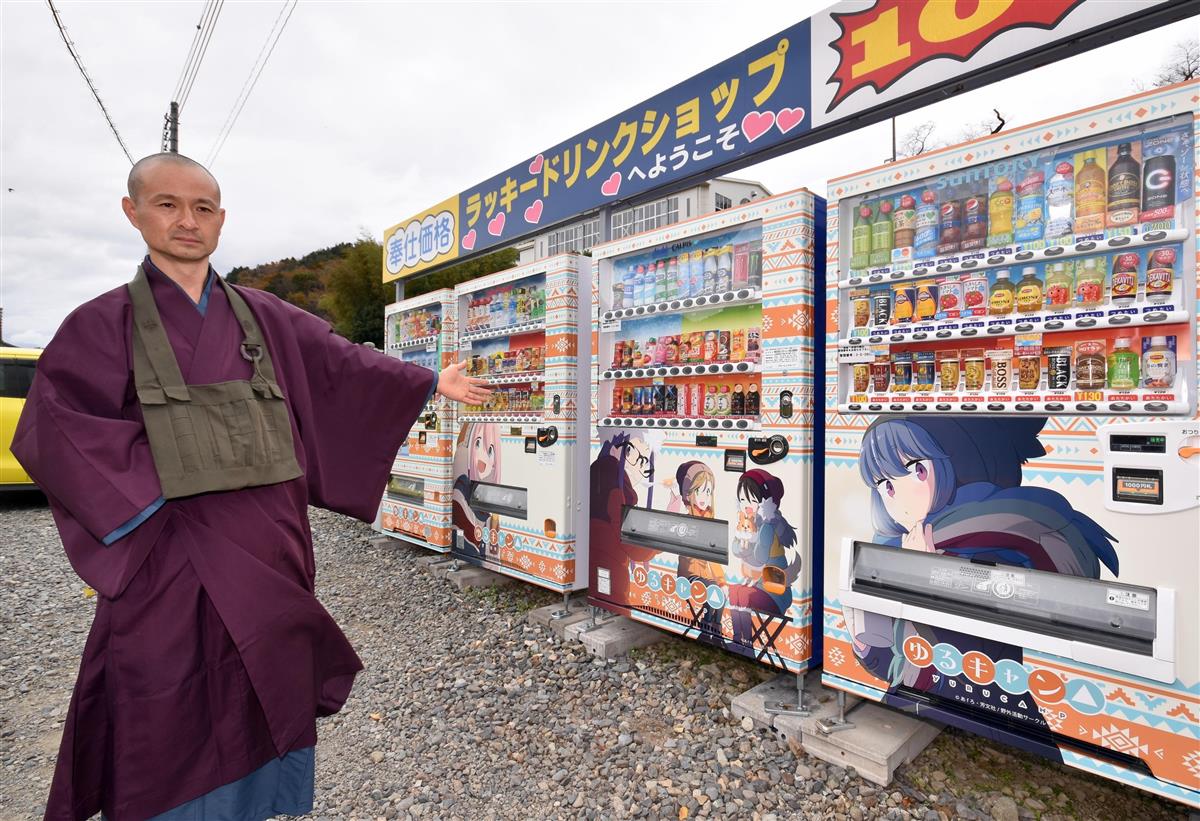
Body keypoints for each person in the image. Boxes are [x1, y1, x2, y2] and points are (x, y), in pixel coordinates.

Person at [12, 153, 492, 821]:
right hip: (164, 555)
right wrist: (158, 491)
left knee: (263, 683)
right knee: (164, 694)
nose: (187, 220)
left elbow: (340, 365)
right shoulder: (99, 324)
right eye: (168, 204)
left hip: (268, 547)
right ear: (133, 212)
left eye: (203, 208)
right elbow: (57, 426)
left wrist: (428, 380)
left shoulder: (263, 315)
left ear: (221, 220)